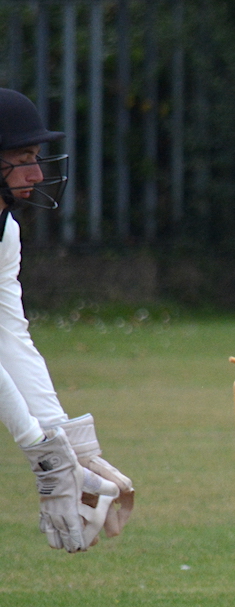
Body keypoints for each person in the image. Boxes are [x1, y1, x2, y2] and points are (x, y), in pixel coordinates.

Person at [0, 88, 134, 553]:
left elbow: (9, 334)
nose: (37, 174)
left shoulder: (6, 231)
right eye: (22, 158)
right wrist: (42, 452)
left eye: (36, 157)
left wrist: (70, 444)